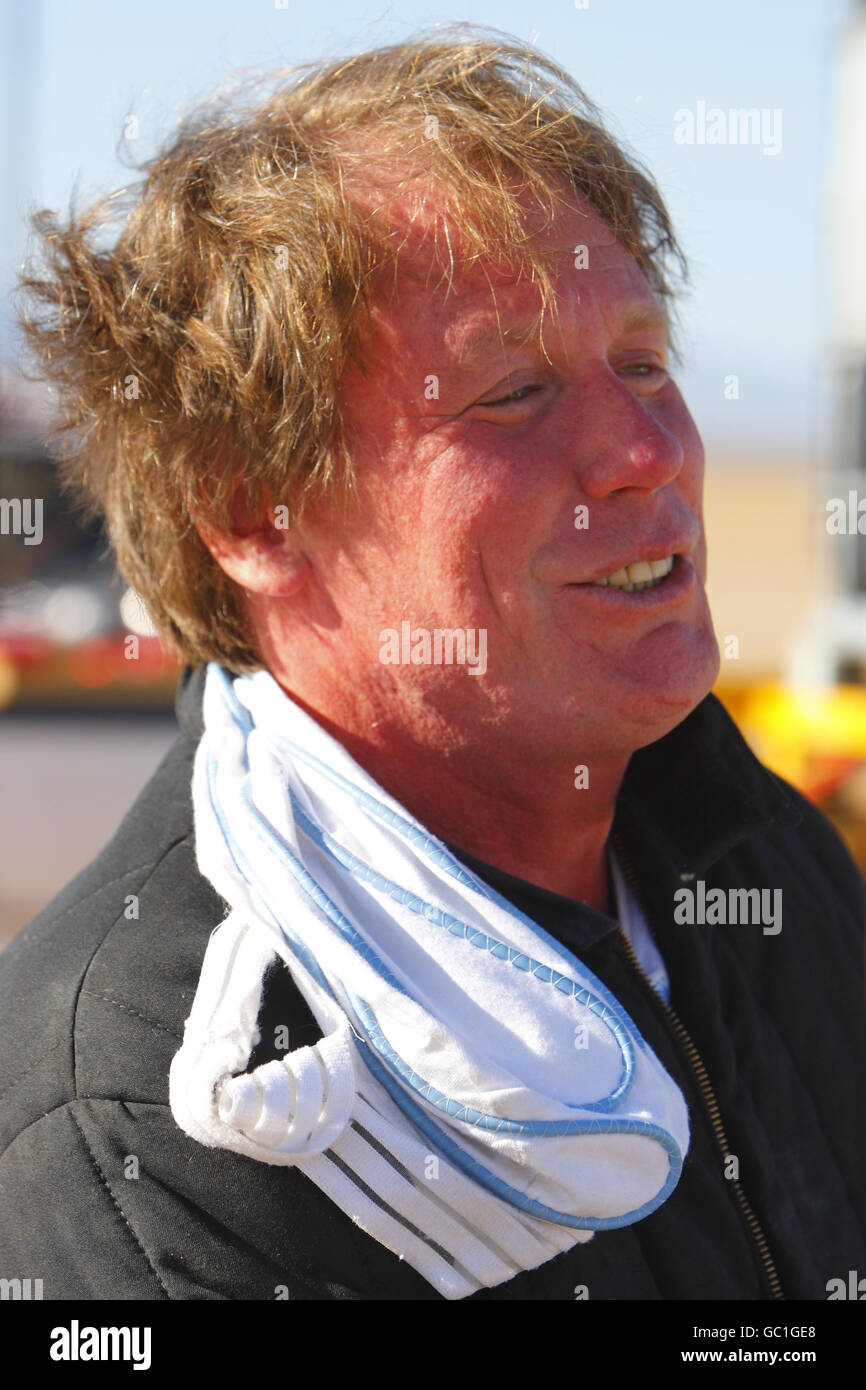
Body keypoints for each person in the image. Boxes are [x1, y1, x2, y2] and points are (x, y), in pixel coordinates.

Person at [1, 27, 864, 1302]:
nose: (645, 449)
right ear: (255, 511)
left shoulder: (746, 850)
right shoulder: (149, 1125)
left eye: (641, 360)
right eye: (510, 393)